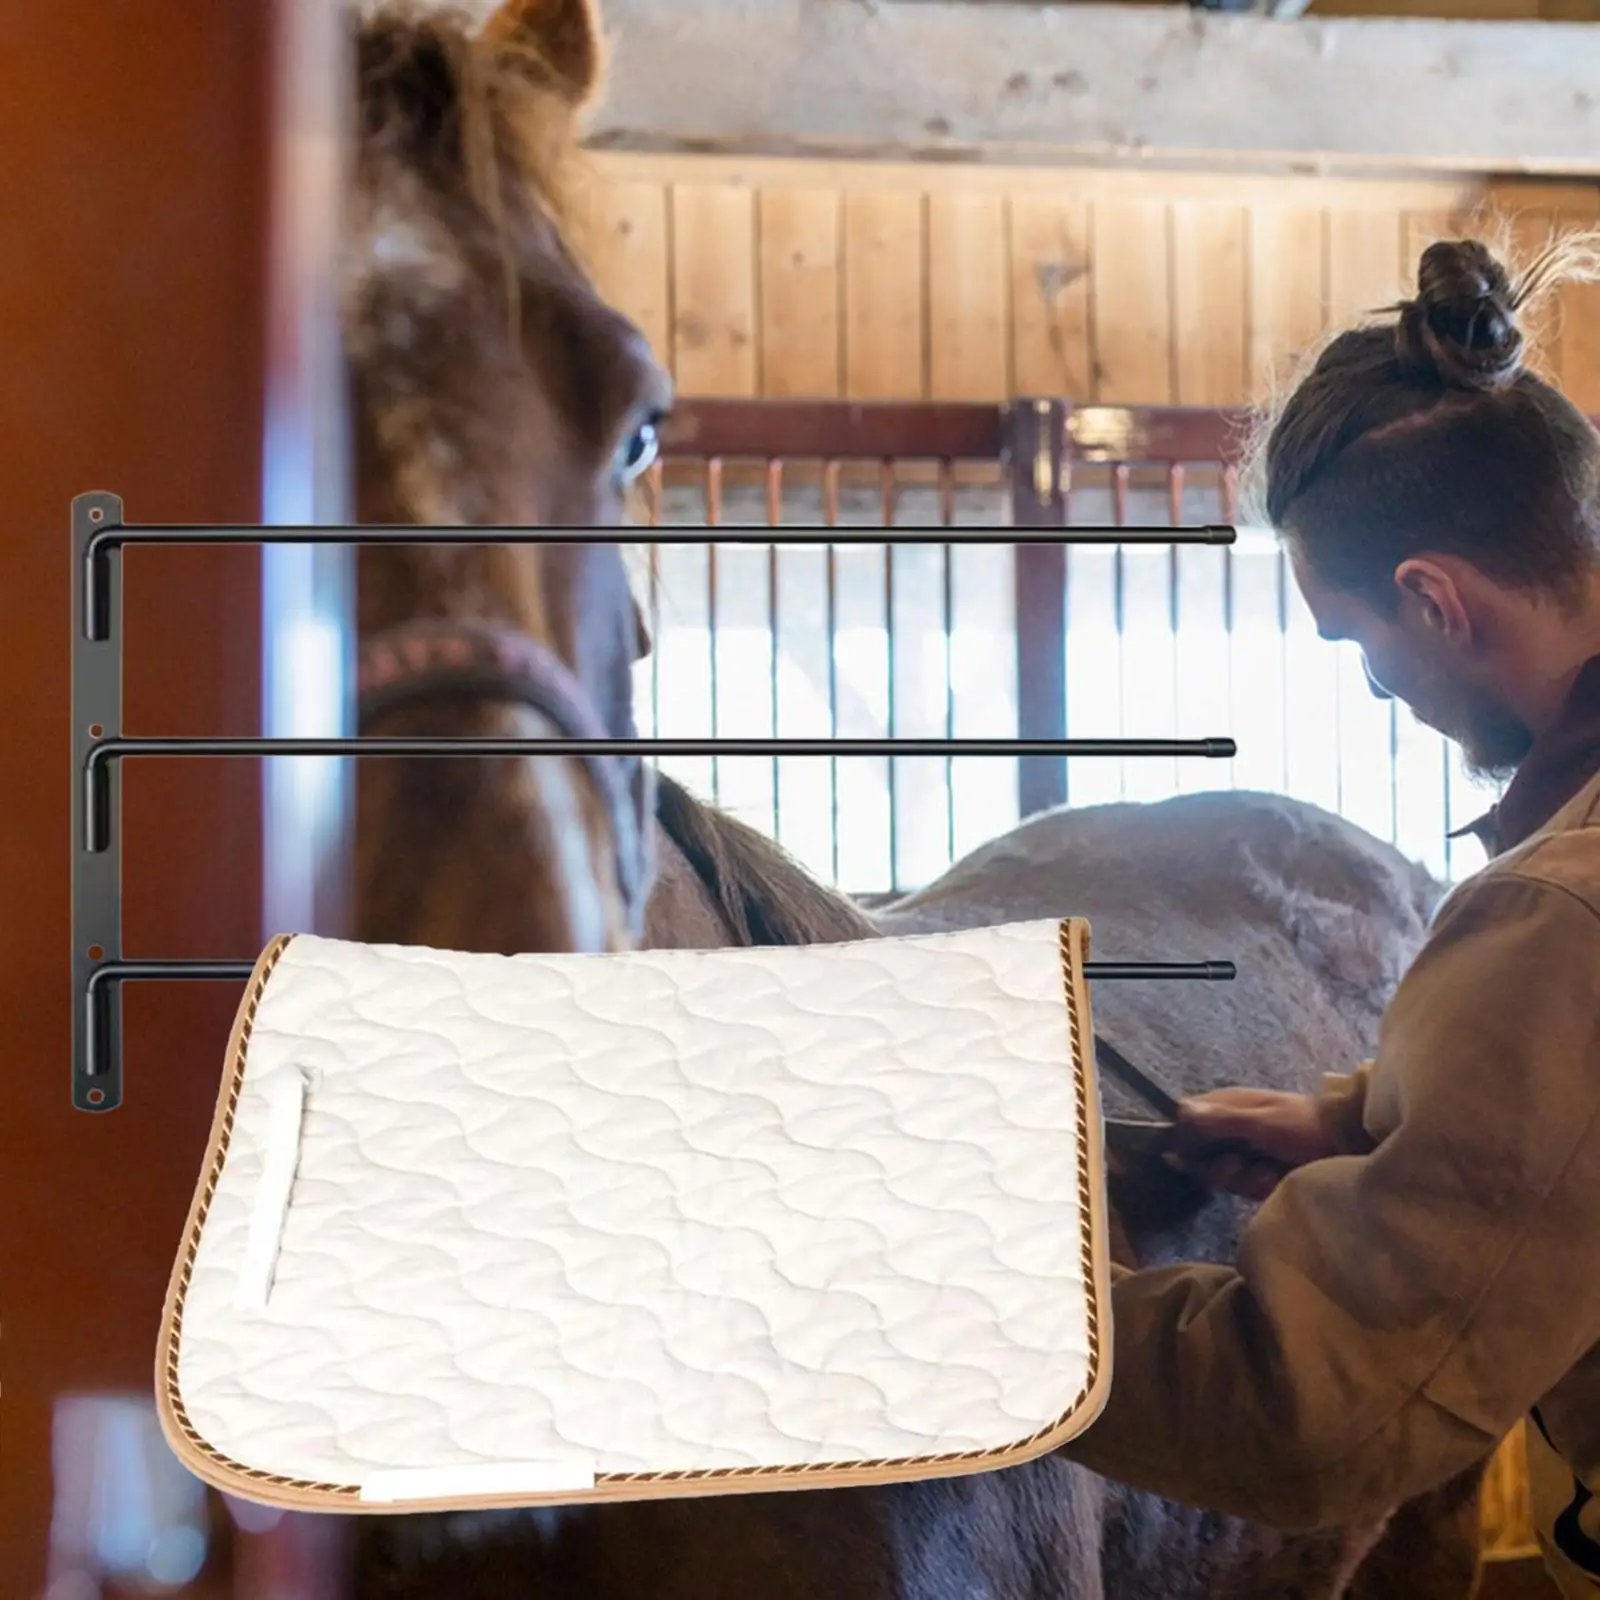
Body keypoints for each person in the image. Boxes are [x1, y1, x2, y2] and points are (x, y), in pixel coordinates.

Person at [1060, 233, 1600, 1597]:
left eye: (1361, 648)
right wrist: (1366, 1117)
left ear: (1433, 598)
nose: (1382, 693)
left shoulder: (1557, 917)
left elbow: (1310, 1412)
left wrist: (965, 1295)